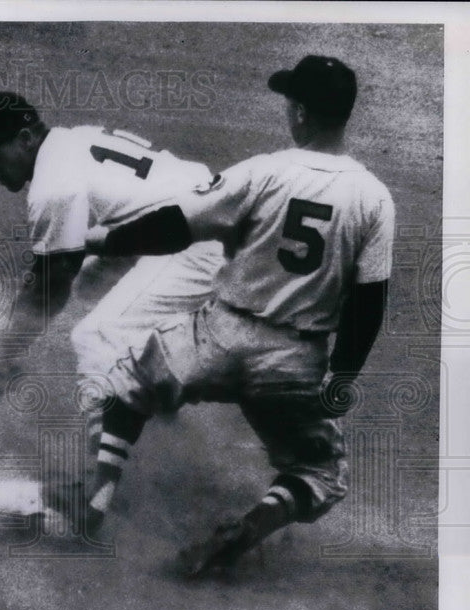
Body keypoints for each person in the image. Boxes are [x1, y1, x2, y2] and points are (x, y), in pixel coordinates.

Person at [83, 56, 394, 576]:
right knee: (318, 472)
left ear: (299, 112)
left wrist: (109, 239)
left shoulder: (264, 170)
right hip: (297, 359)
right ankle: (251, 526)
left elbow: (176, 226)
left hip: (219, 337)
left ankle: (95, 499)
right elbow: (370, 301)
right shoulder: (374, 198)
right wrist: (342, 377)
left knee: (127, 382)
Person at [0, 91, 225, 524]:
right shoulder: (73, 140)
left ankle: (94, 498)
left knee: (96, 336)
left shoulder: (52, 186)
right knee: (90, 289)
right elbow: (69, 270)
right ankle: (150, 420)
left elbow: (47, 287)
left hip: (198, 240)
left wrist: (1, 356)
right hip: (194, 217)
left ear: (25, 138)